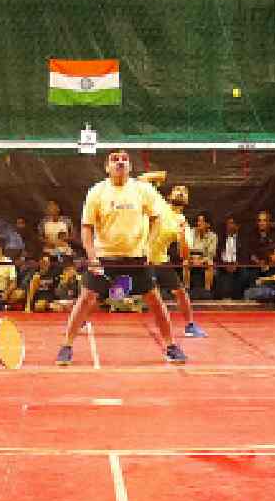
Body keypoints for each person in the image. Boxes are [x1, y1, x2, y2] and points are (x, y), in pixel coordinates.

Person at [55, 150, 187, 365]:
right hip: (105, 257)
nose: (120, 162)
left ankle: (171, 345)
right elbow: (86, 228)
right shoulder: (97, 192)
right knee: (86, 299)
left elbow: (155, 220)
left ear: (130, 166)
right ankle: (66, 346)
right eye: (115, 159)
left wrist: (149, 246)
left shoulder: (142, 190)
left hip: (136, 258)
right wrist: (92, 256)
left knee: (155, 300)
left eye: (124, 159)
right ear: (107, 167)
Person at [143, 180, 207, 338]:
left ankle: (190, 326)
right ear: (168, 195)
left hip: (160, 260)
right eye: (177, 190)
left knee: (180, 292)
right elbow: (142, 181)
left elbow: (184, 255)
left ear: (187, 200)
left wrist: (183, 237)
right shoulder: (158, 203)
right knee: (114, 288)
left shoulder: (182, 222)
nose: (180, 192)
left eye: (184, 191)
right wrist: (158, 176)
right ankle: (84, 316)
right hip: (139, 256)